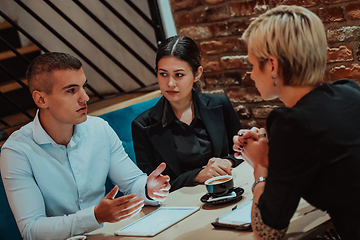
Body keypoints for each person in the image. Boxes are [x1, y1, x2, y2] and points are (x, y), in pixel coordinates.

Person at [0, 52, 170, 240]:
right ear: (41, 99)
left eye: (83, 87)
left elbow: (131, 183)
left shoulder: (99, 129)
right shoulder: (16, 151)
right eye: (71, 90)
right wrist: (95, 216)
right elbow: (32, 230)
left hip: (108, 235)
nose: (85, 97)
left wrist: (148, 188)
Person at [232, 5, 360, 240]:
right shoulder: (350, 92)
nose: (250, 74)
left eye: (252, 64)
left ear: (272, 65)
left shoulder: (291, 123)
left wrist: (261, 166)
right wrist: (275, 149)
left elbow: (267, 233)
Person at [132, 36, 243, 192]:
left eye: (179, 75)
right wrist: (196, 176)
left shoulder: (220, 104)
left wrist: (229, 162)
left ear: (197, 74)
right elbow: (151, 186)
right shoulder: (143, 125)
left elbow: (243, 151)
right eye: (163, 74)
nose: (170, 83)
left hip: (230, 188)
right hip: (183, 205)